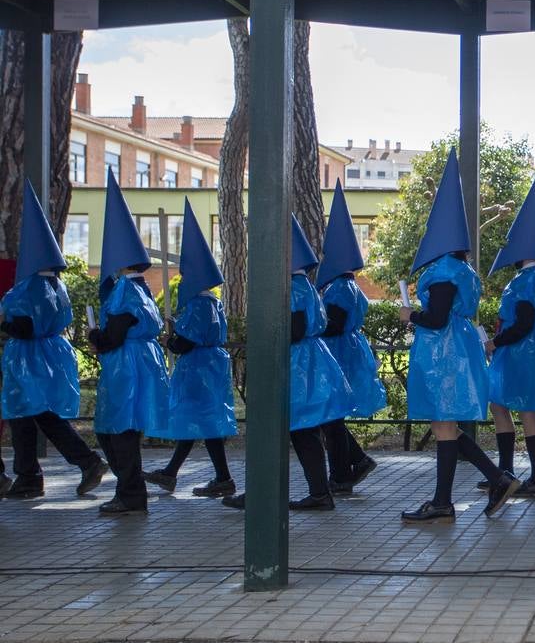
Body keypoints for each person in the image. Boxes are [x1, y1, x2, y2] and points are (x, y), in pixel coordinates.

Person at [400, 150, 520, 523]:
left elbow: (435, 319)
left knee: (443, 423)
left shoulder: (441, 273)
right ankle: (489, 482)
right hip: (461, 345)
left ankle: (448, 501)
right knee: (446, 426)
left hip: (444, 352)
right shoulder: (465, 270)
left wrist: (411, 315)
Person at [224, 217, 354, 512]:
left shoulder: (293, 288)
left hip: (297, 366)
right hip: (311, 363)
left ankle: (269, 492)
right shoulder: (305, 286)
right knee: (300, 431)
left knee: (287, 430)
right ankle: (317, 492)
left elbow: (293, 329)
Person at [0, 182, 107, 501]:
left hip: (29, 358)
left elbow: (23, 326)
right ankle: (30, 474)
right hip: (47, 356)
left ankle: (78, 463)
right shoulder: (55, 286)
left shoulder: (30, 288)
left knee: (35, 413)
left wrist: (3, 322)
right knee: (29, 414)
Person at [87, 172, 170, 515]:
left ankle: (131, 493)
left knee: (117, 431)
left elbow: (113, 335)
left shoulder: (123, 292)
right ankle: (130, 490)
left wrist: (95, 336)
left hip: (126, 367)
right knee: (123, 431)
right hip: (144, 363)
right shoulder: (144, 290)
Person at [143, 200, 238, 497]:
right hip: (209, 368)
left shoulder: (199, 305)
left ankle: (219, 478)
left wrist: (169, 339)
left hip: (199, 369)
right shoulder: (213, 303)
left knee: (201, 421)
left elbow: (185, 343)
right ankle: (175, 473)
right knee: (198, 421)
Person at [483, 170, 535, 498]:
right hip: (518, 351)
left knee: (525, 410)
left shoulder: (528, 280)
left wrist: (496, 341)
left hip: (521, 350)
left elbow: (524, 323)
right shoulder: (532, 278)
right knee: (500, 405)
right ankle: (505, 473)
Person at [316, 182, 384, 495]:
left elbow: (334, 324)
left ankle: (344, 471)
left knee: (330, 416)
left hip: (336, 353)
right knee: (332, 418)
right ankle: (351, 465)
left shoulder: (338, 289)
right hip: (347, 351)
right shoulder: (350, 287)